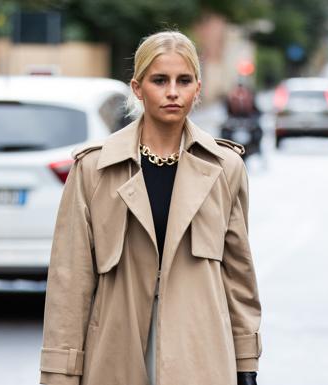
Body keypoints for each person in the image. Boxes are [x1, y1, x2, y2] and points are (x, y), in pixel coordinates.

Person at [39, 31, 262, 385]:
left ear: (197, 88)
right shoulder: (94, 170)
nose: (173, 92)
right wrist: (60, 373)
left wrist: (246, 361)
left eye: (183, 80)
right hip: (116, 356)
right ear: (138, 88)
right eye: (160, 80)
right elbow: (69, 284)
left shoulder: (225, 168)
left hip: (201, 355)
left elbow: (238, 277)